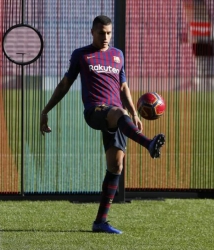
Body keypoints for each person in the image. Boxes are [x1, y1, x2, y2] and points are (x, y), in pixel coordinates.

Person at [40, 15, 165, 234]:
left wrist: (134, 113)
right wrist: (46, 110)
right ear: (92, 32)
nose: (106, 37)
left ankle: (100, 222)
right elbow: (64, 85)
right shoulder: (81, 55)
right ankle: (148, 144)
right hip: (95, 112)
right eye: (101, 33)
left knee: (116, 166)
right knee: (117, 112)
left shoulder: (118, 55)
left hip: (119, 116)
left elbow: (123, 88)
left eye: (108, 33)